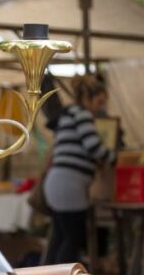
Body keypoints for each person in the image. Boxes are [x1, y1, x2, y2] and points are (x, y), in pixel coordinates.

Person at [43, 74, 115, 265]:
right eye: (99, 102)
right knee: (73, 239)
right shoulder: (82, 115)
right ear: (87, 98)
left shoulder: (68, 115)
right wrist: (115, 157)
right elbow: (94, 147)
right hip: (69, 186)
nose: (100, 108)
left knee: (60, 237)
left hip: (57, 183)